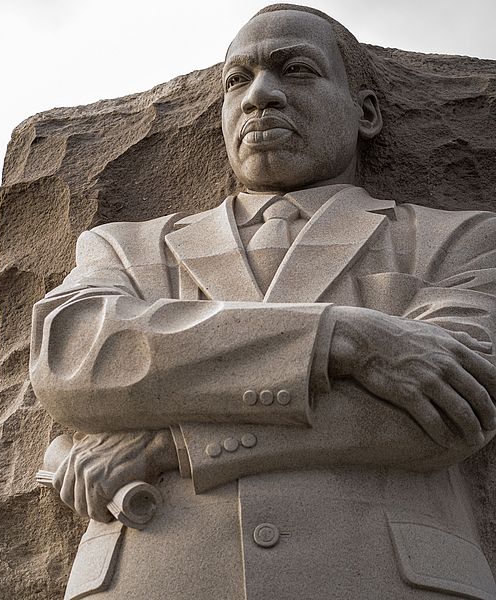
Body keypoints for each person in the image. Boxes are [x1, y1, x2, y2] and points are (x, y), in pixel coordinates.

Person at [30, 5, 496, 598]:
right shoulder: (124, 247)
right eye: (236, 80)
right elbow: (73, 359)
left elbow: (452, 408)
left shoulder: (461, 240)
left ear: (367, 112)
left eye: (296, 69)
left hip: (383, 575)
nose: (260, 96)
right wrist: (343, 338)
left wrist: (171, 444)